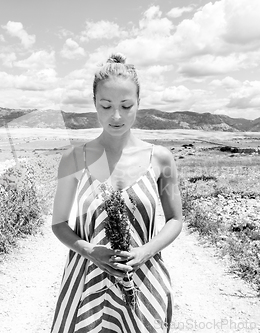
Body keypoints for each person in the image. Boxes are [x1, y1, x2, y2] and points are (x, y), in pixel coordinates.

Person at [50, 53, 183, 333]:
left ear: (138, 103)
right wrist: (90, 251)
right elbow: (59, 224)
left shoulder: (161, 159)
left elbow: (175, 220)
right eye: (106, 105)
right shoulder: (74, 158)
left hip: (144, 282)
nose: (116, 116)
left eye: (126, 105)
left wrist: (145, 251)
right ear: (95, 104)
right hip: (85, 284)